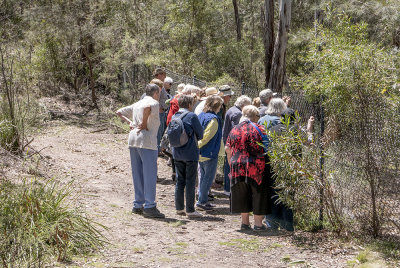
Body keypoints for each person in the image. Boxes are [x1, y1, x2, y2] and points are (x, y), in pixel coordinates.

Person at [116, 83, 165, 218]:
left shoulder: (137, 103)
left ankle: (138, 204)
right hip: (147, 140)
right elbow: (148, 108)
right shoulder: (153, 103)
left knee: (137, 172)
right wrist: (143, 123)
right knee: (149, 173)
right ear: (156, 93)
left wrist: (130, 123)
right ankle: (150, 205)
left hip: (133, 139)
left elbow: (119, 112)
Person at [225, 105, 269, 231]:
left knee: (241, 193)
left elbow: (228, 149)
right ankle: (258, 224)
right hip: (256, 166)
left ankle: (245, 223)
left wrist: (230, 164)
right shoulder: (260, 129)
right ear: (255, 116)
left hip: (237, 165)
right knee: (258, 193)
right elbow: (267, 146)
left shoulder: (234, 130)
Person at [171, 95, 204, 218]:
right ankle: (190, 209)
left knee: (180, 180)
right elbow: (200, 134)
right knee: (190, 181)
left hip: (177, 152)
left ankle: (179, 208)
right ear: (190, 104)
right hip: (190, 153)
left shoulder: (175, 116)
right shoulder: (192, 116)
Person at [196, 95, 224, 211]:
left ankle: (201, 200)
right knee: (207, 178)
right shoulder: (213, 119)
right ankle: (202, 202)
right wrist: (198, 145)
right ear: (217, 106)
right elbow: (207, 136)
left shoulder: (201, 115)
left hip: (200, 153)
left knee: (202, 176)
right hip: (209, 152)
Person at [221, 95, 252, 196]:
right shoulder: (238, 113)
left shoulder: (231, 109)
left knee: (228, 165)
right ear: (243, 105)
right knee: (231, 166)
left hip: (227, 141)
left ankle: (227, 188)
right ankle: (230, 189)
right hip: (233, 144)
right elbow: (237, 129)